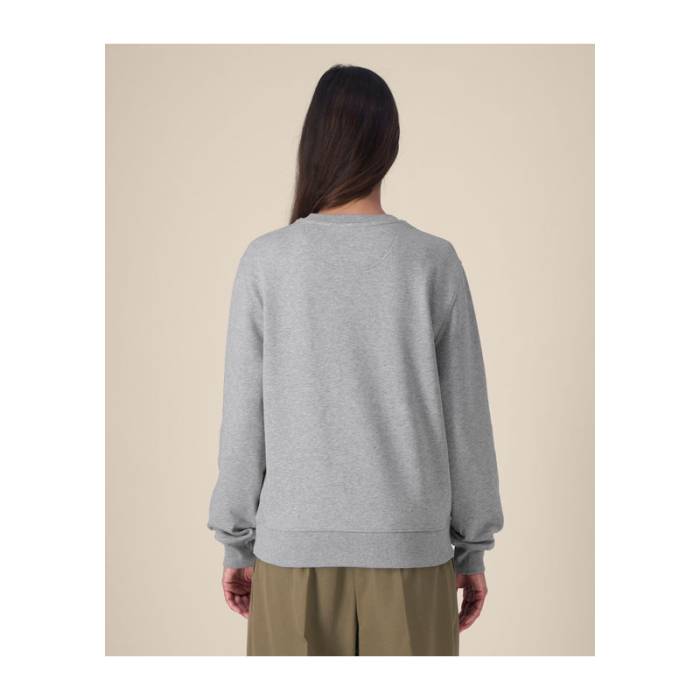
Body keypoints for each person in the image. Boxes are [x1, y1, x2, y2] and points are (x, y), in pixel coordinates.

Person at [207, 64, 504, 656]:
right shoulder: (432, 261)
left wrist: (237, 542)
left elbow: (243, 418)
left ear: (313, 143)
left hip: (292, 557)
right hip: (410, 554)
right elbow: (466, 419)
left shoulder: (268, 261)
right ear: (389, 146)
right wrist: (471, 549)